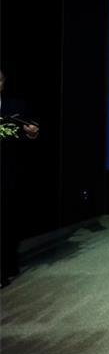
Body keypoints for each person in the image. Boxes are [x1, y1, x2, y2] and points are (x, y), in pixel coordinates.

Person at [0, 69, 40, 287]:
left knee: (7, 221)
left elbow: (32, 130)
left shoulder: (16, 106)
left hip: (8, 172)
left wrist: (32, 132)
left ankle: (6, 266)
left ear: (3, 82)